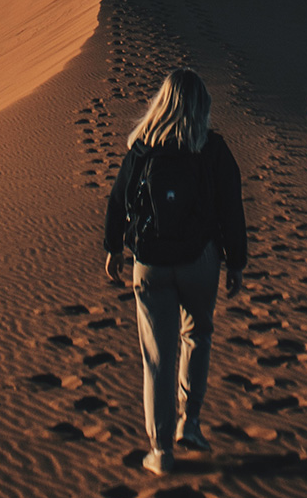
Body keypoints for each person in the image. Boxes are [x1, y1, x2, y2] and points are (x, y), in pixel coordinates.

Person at [104, 67, 247, 475]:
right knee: (197, 335)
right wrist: (236, 260)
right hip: (200, 260)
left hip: (149, 263)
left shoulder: (143, 149)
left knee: (158, 356)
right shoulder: (213, 148)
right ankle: (192, 423)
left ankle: (161, 450)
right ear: (202, 106)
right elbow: (231, 210)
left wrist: (113, 249)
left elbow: (118, 202)